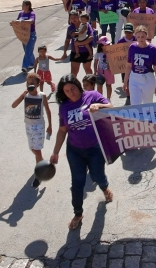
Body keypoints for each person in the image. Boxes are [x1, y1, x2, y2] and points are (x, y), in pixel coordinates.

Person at [50, 75, 114, 230]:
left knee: (97, 175)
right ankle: (78, 213)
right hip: (74, 150)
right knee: (77, 183)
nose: (71, 92)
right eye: (66, 91)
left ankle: (105, 187)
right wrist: (55, 151)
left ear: (78, 86)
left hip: (95, 148)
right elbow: (63, 129)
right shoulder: (64, 107)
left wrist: (99, 106)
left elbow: (111, 106)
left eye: (73, 88)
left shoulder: (91, 96)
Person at [11, 72, 52, 188]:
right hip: (28, 126)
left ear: (38, 84)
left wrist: (50, 126)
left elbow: (48, 110)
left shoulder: (42, 95)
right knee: (33, 149)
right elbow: (13, 105)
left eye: (32, 83)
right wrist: (22, 95)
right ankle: (43, 163)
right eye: (28, 83)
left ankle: (38, 176)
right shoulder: (26, 95)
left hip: (39, 126)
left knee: (37, 151)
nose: (29, 85)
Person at [124, 25, 156, 106]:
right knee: (135, 104)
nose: (141, 39)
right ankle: (137, 119)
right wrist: (125, 81)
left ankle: (147, 119)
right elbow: (129, 65)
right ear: (135, 37)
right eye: (138, 37)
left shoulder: (153, 49)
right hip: (134, 78)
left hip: (147, 78)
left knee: (147, 104)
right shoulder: (132, 47)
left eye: (142, 36)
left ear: (146, 35)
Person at [62, 11, 94, 78]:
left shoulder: (86, 25)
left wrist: (80, 43)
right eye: (71, 18)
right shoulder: (70, 28)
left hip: (86, 51)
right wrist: (64, 52)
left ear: (79, 17)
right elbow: (67, 40)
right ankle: (74, 86)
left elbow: (91, 37)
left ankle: (91, 86)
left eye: (75, 17)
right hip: (75, 52)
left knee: (88, 70)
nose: (74, 19)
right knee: (73, 72)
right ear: (69, 19)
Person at [15, 0, 37, 73]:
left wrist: (21, 22)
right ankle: (33, 63)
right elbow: (16, 21)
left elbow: (31, 21)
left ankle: (25, 66)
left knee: (28, 51)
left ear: (27, 6)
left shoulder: (31, 14)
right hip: (23, 35)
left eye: (23, 5)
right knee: (28, 51)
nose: (22, 6)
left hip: (31, 35)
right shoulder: (21, 14)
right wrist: (13, 23)